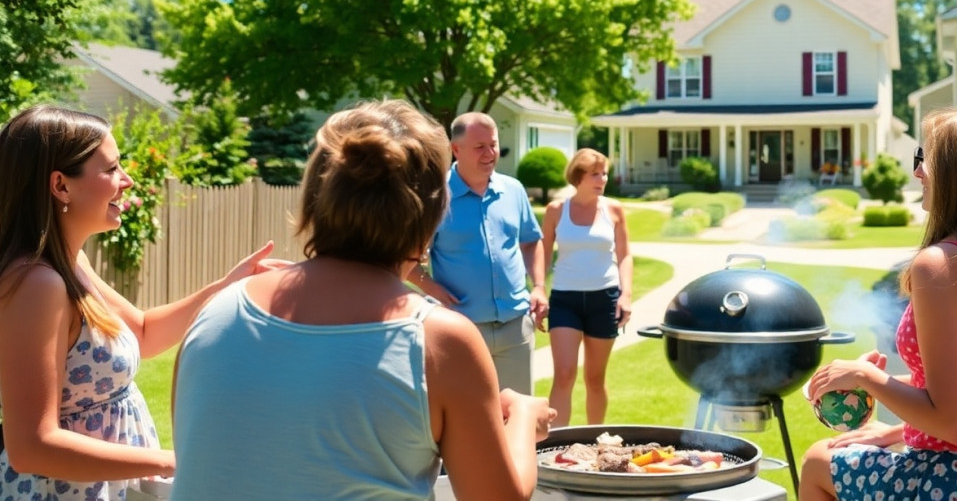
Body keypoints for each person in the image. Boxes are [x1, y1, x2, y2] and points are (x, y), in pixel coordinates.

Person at [171, 100, 556, 501]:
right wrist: (524, 416)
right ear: (430, 215)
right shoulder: (440, 341)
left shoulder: (216, 312)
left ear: (314, 199)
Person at [0, 104, 277, 500]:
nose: (127, 180)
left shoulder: (70, 263)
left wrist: (229, 285)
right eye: (112, 169)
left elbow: (144, 333)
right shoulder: (37, 285)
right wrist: (175, 460)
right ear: (60, 185)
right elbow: (32, 445)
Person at [799, 106, 957, 501]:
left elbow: (952, 423)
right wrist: (894, 426)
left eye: (926, 159)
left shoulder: (942, 266)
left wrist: (866, 377)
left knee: (818, 461)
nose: (918, 172)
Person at [411, 112, 547, 394]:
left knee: (520, 414)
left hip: (516, 327)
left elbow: (530, 242)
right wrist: (433, 289)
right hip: (462, 329)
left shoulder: (514, 190)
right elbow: (405, 259)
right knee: (464, 416)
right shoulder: (435, 197)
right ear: (456, 149)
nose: (489, 153)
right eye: (480, 147)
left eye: (493, 144)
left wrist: (539, 287)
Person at [542, 149, 633, 426]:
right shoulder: (556, 211)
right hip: (565, 300)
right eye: (595, 174)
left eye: (604, 173)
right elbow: (543, 254)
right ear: (578, 176)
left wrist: (626, 295)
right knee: (564, 374)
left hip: (604, 300)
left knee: (594, 378)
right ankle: (554, 444)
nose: (602, 179)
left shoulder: (614, 210)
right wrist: (538, 289)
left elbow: (625, 255)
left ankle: (596, 441)